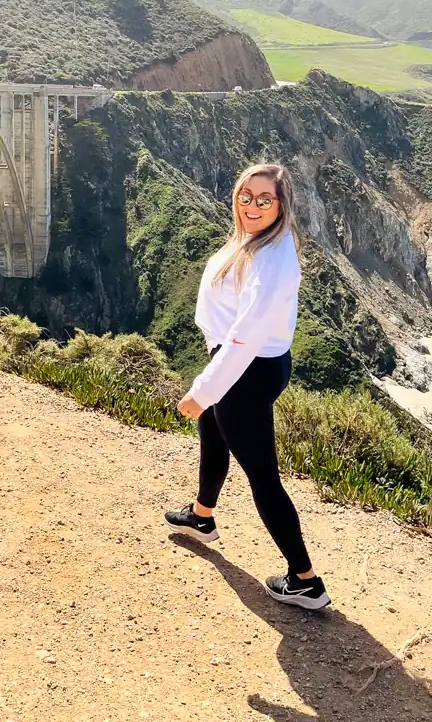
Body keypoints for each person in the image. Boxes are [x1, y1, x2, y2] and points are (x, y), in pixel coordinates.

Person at [165, 163, 330, 610]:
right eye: (245, 196)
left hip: (245, 369)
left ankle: (305, 580)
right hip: (248, 364)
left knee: (264, 478)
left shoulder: (272, 260)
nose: (252, 205)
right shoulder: (259, 240)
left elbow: (245, 336)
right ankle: (202, 517)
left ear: (282, 205)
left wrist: (203, 391)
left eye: (264, 199)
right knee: (213, 437)